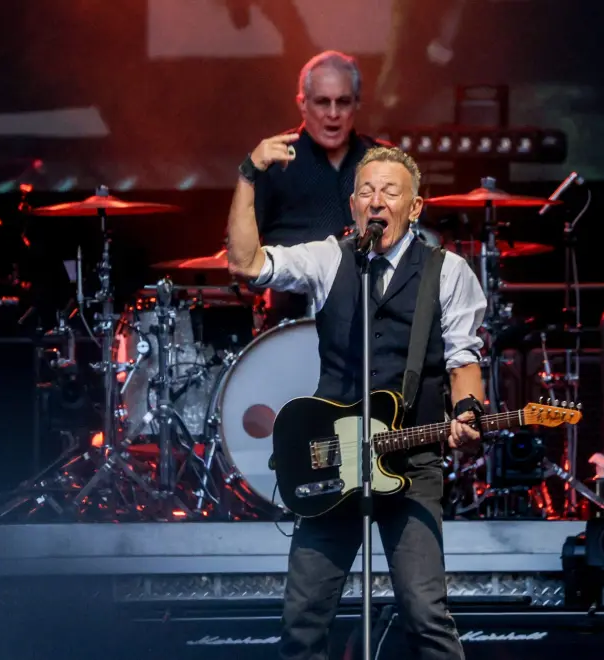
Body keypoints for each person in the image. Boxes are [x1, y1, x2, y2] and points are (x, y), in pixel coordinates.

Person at [227, 143, 487, 660]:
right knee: (302, 620)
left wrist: (467, 413)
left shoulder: (449, 271)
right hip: (331, 457)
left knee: (426, 615)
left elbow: (464, 362)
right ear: (352, 205)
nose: (376, 200)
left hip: (411, 460)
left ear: (414, 207)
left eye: (390, 191)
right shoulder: (330, 258)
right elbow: (245, 261)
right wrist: (248, 174)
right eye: (366, 191)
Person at [241, 50, 389, 326]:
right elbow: (241, 251)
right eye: (322, 102)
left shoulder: (384, 161)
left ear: (356, 104)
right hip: (290, 324)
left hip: (372, 323)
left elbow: (416, 243)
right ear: (303, 104)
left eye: (343, 102)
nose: (333, 114)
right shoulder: (273, 161)